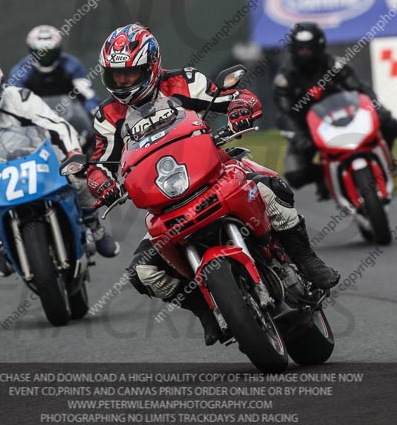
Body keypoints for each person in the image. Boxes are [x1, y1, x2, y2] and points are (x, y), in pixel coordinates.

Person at [78, 24, 339, 346]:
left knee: (270, 188)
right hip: (164, 201)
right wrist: (101, 182)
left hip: (216, 171)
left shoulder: (184, 81)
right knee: (143, 273)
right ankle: (205, 311)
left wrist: (240, 107)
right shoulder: (107, 115)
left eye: (130, 73)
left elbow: (232, 95)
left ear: (151, 66)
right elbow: (100, 162)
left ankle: (307, 260)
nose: (122, 82)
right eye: (115, 75)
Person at [0, 58, 88, 276]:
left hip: (40, 157)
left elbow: (57, 125)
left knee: (79, 176)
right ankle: (5, 243)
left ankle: (93, 223)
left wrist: (72, 151)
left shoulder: (20, 98)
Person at [8, 25, 118, 257]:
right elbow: (11, 103)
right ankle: (7, 244)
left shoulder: (71, 65)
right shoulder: (21, 70)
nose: (45, 58)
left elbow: (87, 94)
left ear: (58, 50)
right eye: (40, 53)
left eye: (50, 52)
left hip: (69, 128)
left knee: (80, 175)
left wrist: (95, 113)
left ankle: (95, 227)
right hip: (33, 133)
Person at [273, 21, 397, 199]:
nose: (305, 53)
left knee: (390, 124)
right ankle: (326, 180)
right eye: (301, 49)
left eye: (309, 48)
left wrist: (377, 109)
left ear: (319, 46)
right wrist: (299, 137)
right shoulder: (285, 79)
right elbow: (285, 113)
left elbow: (360, 89)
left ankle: (387, 162)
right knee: (295, 174)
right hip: (308, 129)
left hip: (345, 115)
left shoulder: (334, 64)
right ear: (293, 49)